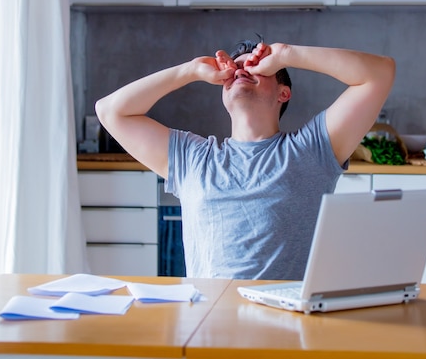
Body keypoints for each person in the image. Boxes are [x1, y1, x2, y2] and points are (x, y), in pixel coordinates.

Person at [95, 39, 395, 280]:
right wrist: (190, 71)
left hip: (285, 328)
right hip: (209, 325)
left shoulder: (312, 149)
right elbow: (110, 111)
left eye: (258, 68)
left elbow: (379, 73)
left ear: (283, 93)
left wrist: (285, 55)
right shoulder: (192, 158)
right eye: (235, 69)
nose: (241, 70)